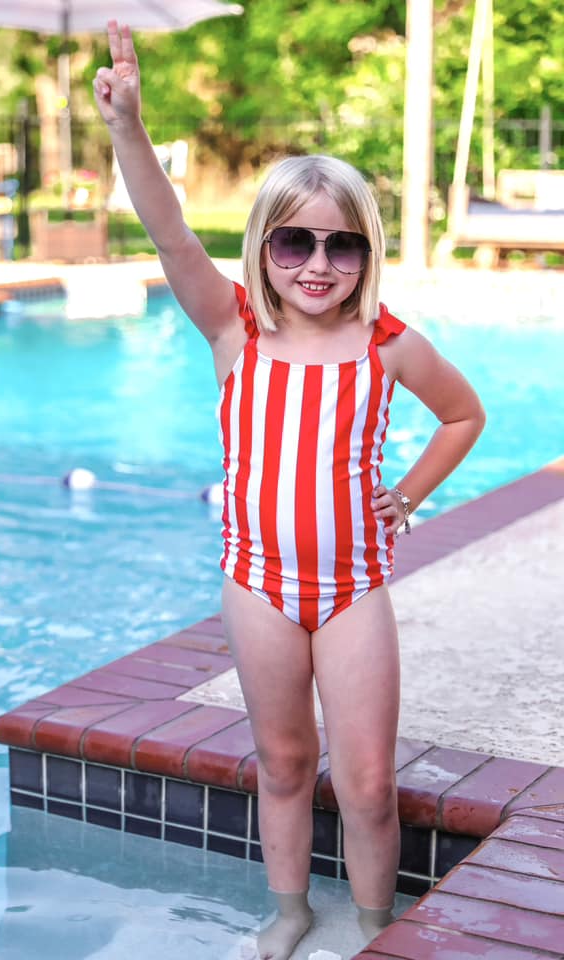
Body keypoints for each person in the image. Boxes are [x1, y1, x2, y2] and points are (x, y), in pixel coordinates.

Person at [93, 21, 485, 959]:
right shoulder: (235, 333)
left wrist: (407, 495)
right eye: (294, 241)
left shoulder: (388, 346)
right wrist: (127, 130)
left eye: (342, 245)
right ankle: (290, 912)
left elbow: (464, 416)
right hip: (259, 585)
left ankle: (378, 924)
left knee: (370, 783)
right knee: (281, 763)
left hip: (352, 590)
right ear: (262, 248)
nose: (318, 263)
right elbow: (168, 228)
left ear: (369, 251)